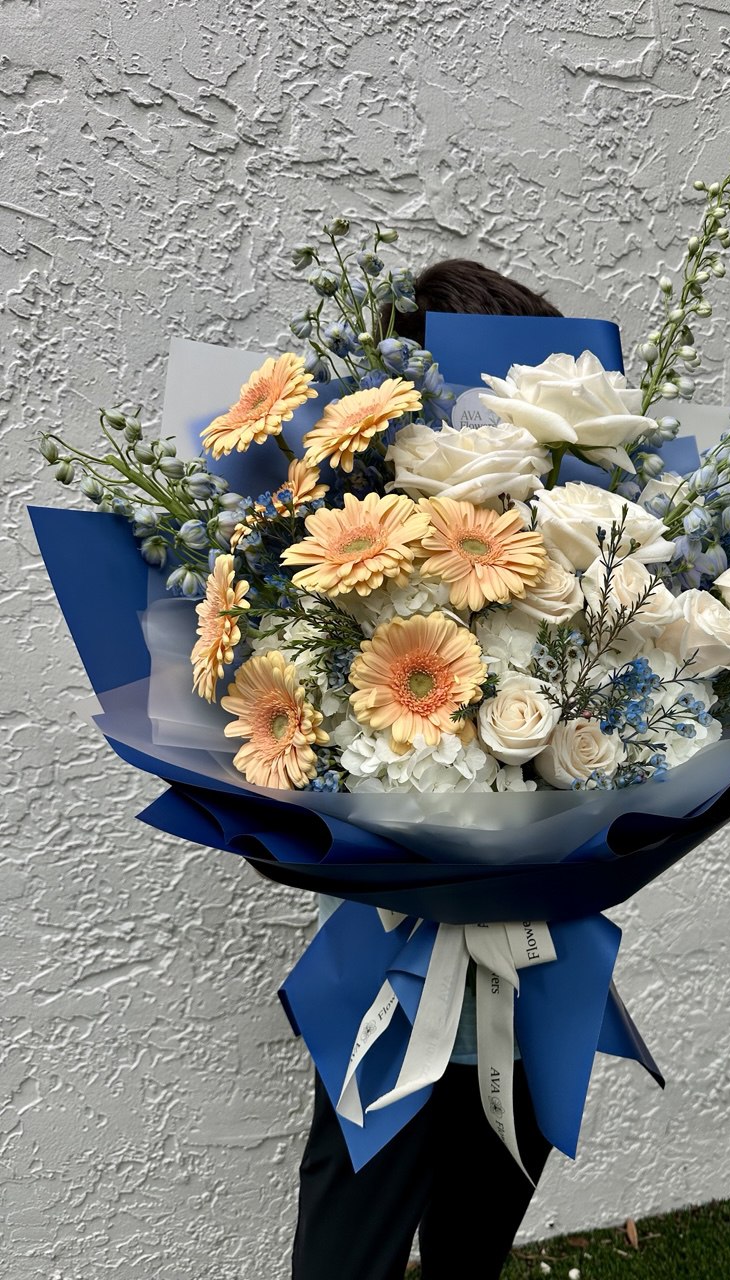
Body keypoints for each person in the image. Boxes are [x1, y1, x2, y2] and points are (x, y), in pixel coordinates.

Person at [291, 260, 563, 1280]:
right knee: (342, 1255)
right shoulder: (364, 562)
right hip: (390, 983)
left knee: (474, 1247)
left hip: (541, 971)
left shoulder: (572, 557)